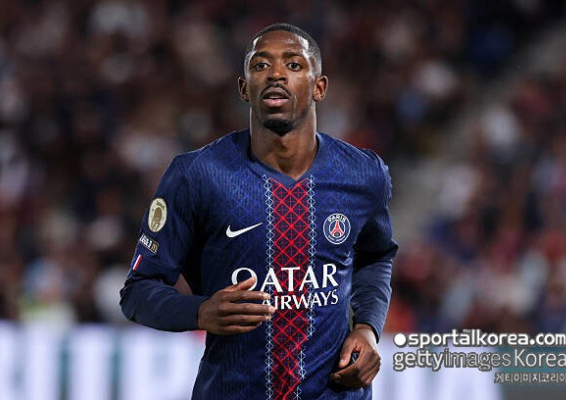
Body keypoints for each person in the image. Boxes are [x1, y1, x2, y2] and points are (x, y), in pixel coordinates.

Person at [120, 22, 398, 400]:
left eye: (294, 65)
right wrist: (199, 312)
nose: (276, 74)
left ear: (319, 87)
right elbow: (137, 292)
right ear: (244, 87)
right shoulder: (197, 175)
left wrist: (367, 327)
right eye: (261, 65)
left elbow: (376, 256)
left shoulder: (363, 174)